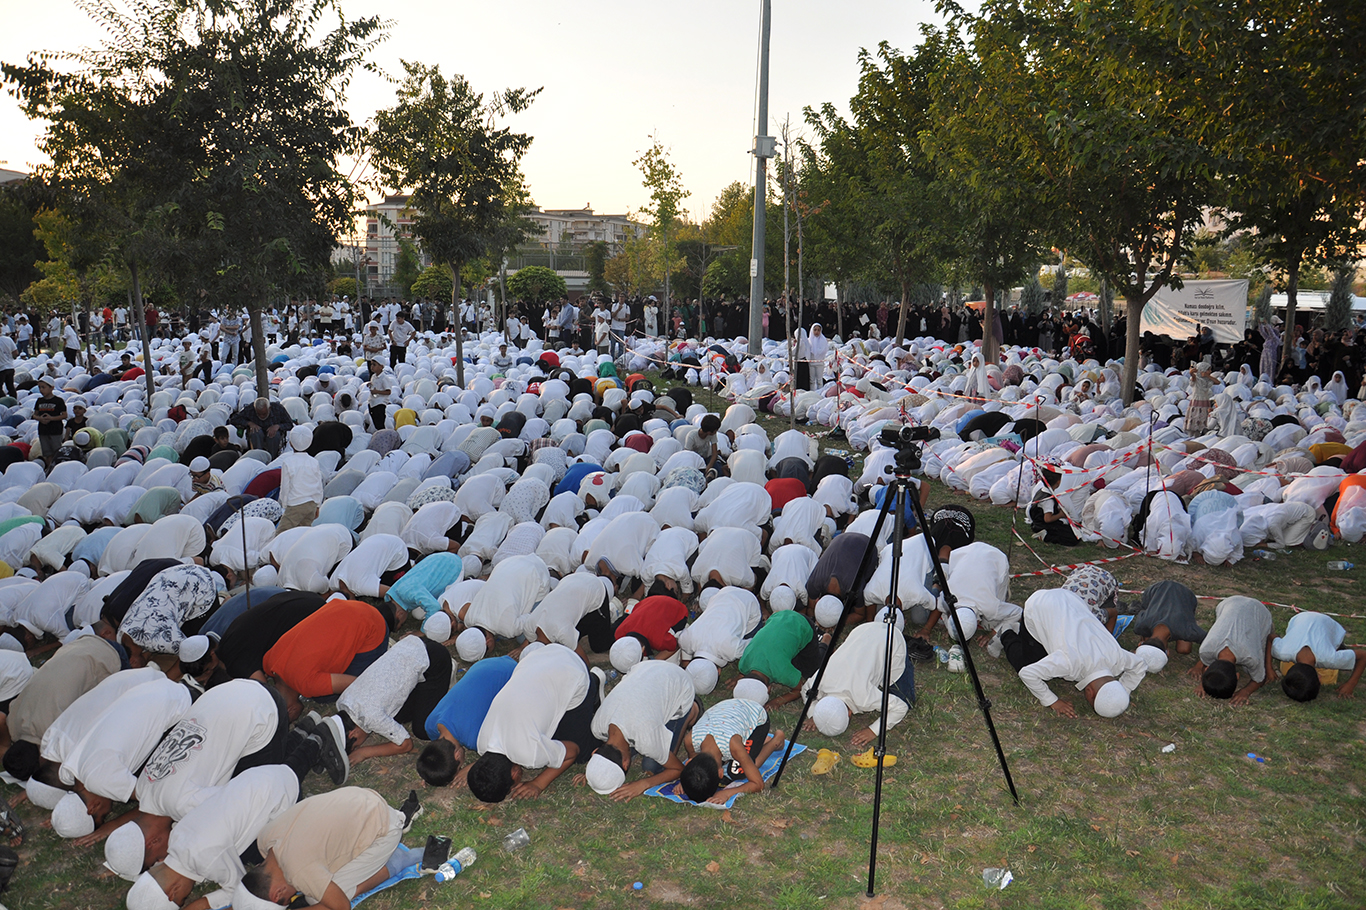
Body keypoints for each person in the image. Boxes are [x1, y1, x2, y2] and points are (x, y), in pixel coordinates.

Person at [238, 787, 418, 910]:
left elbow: (341, 906)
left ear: (278, 894)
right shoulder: (265, 839)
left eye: (287, 902)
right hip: (362, 797)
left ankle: (396, 861)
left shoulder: (299, 872)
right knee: (318, 882)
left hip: (385, 829)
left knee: (316, 898)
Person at [467, 643, 604, 803]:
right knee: (552, 735)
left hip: (573, 670)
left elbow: (572, 751)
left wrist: (538, 783)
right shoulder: (482, 743)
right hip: (538, 657)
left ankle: (594, 683)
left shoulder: (530, 755)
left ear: (514, 774)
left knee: (582, 753)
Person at [1017, 588, 1148, 718]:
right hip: (1038, 604)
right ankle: (1008, 630)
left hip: (1071, 598)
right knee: (1025, 660)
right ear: (1090, 693)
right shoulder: (1070, 663)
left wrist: (1124, 690)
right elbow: (1027, 673)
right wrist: (1052, 701)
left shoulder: (1117, 658)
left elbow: (1140, 664)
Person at [583, 660, 700, 801]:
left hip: (678, 681)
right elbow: (606, 751)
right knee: (647, 751)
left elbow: (678, 769)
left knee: (653, 767)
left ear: (626, 763)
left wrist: (643, 784)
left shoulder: (646, 738)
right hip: (645, 668)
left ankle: (693, 710)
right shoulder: (597, 726)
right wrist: (596, 770)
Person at [261, 598, 391, 721]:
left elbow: (358, 683)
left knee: (325, 696)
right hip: (345, 607)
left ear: (291, 711)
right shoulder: (268, 662)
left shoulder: (307, 684)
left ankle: (387, 652)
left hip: (373, 626)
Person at [416, 653, 517, 788]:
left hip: (514, 673)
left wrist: (471, 767)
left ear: (458, 755)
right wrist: (430, 772)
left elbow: (501, 752)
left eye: (459, 767)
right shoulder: (430, 725)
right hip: (486, 664)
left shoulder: (474, 738)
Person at [679, 696, 783, 805]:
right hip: (728, 710)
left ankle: (776, 741)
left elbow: (758, 784)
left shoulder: (733, 745)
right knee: (740, 761)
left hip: (755, 715)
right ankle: (759, 742)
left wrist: (727, 793)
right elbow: (694, 764)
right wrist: (688, 780)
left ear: (721, 773)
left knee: (739, 771)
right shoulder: (689, 740)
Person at [1188, 595, 1274, 704]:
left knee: (1260, 643)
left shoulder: (1250, 657)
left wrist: (1246, 691)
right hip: (1228, 603)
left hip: (1260, 611)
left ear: (1238, 676)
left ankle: (1269, 628)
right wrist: (1204, 683)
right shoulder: (1206, 649)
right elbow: (1205, 661)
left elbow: (1260, 679)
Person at [1270, 610, 1366, 702]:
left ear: (1319, 678)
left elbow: (1363, 655)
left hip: (1326, 622)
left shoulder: (1330, 658)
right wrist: (1269, 668)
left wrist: (1351, 684)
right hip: (1301, 618)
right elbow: (1271, 638)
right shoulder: (1282, 652)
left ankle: (1336, 645)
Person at [276, 426, 323, 532]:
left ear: (291, 443)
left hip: (295, 504)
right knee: (303, 532)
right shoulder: (314, 462)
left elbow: (285, 486)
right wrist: (317, 505)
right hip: (311, 503)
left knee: (282, 533)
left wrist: (284, 505)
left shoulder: (288, 462)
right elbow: (318, 485)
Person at [33, 376, 67, 468]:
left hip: (55, 430)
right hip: (43, 430)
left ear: (51, 387)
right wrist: (40, 419)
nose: (41, 390)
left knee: (56, 451)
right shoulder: (39, 401)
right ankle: (50, 468)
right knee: (47, 453)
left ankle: (57, 468)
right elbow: (34, 415)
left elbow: (64, 415)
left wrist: (51, 418)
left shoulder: (58, 401)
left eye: (43, 387)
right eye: (39, 387)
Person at [365, 359, 393, 431]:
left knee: (380, 423)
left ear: (381, 366)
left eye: (374, 365)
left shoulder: (384, 378)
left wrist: (377, 392)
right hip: (372, 401)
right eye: (371, 364)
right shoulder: (373, 376)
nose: (372, 366)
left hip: (380, 402)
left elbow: (388, 391)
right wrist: (370, 384)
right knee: (375, 422)